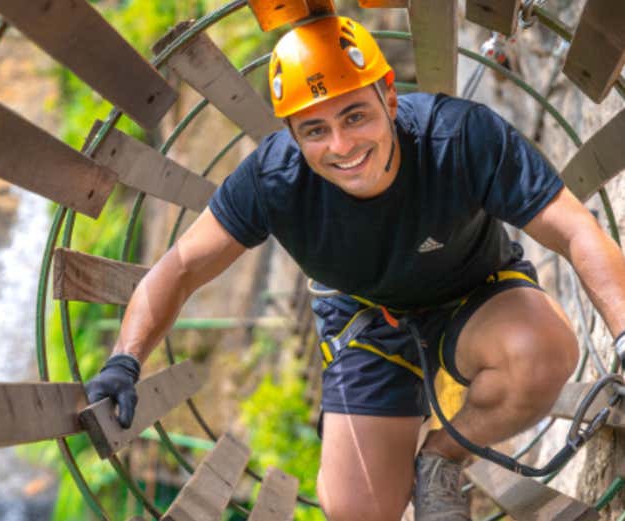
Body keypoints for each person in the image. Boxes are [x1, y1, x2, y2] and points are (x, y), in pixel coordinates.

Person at [86, 15, 625, 521]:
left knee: (541, 352)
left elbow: (576, 229)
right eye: (315, 130)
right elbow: (180, 266)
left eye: (354, 115)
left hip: (477, 293)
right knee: (358, 508)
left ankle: (441, 458)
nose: (342, 146)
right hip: (368, 320)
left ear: (388, 97)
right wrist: (126, 361)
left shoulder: (458, 138)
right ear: (293, 135)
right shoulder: (272, 180)